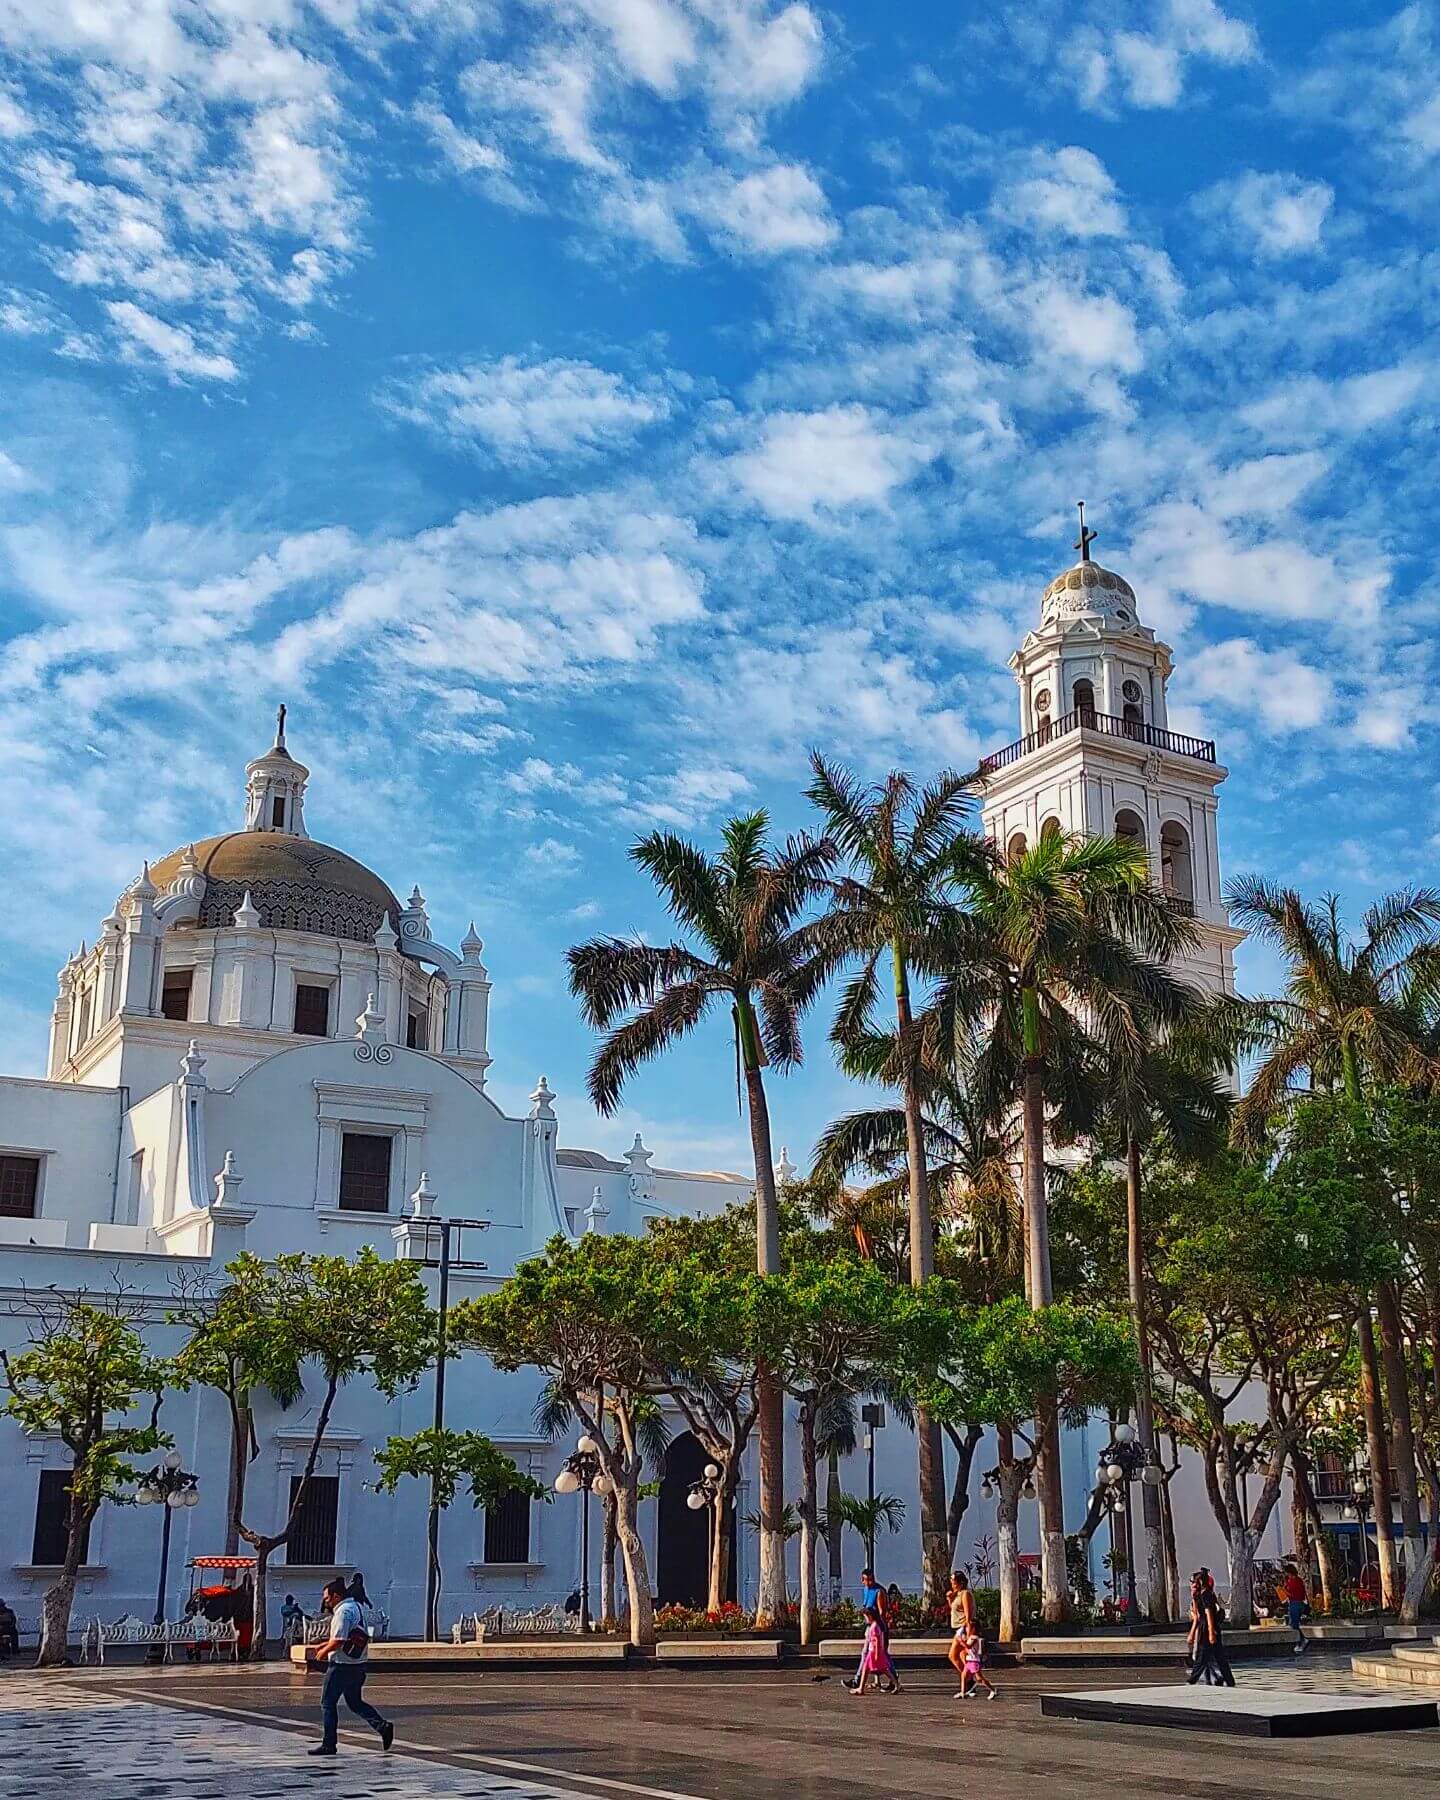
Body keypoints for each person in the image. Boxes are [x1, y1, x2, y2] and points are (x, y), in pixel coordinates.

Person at [308, 1575, 394, 1758]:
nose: (326, 1602)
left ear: (336, 1596)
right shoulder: (357, 1606)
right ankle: (382, 1726)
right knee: (355, 1702)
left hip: (341, 1666)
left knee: (327, 1703)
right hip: (358, 1663)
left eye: (327, 1598)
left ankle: (329, 1744)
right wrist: (324, 1645)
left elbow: (339, 1640)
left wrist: (322, 1653)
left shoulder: (343, 1611)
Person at [1185, 1569, 1234, 1688]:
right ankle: (1228, 1680)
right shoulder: (1199, 1595)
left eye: (1194, 1582)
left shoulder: (1207, 1595)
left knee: (1203, 1656)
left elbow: (1209, 1615)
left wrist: (1211, 1632)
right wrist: (1192, 1634)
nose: (1192, 1584)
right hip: (1205, 1627)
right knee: (1217, 1657)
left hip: (1208, 1628)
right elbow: (1197, 1616)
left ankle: (1192, 1679)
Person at [852, 1606, 897, 1696]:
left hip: (873, 1652)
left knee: (883, 1669)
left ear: (870, 1616)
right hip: (873, 1651)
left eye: (865, 1617)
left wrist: (876, 1654)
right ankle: (861, 1688)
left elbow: (876, 1641)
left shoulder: (875, 1627)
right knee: (867, 1668)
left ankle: (896, 1684)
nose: (865, 1619)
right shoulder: (876, 1625)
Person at [946, 1572, 975, 1695]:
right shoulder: (957, 1595)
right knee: (963, 1657)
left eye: (953, 1581)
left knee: (952, 1655)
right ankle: (969, 1682)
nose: (952, 1584)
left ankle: (968, 1681)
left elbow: (968, 1615)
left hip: (962, 1628)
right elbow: (954, 1610)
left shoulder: (965, 1594)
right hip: (957, 1627)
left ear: (960, 1582)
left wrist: (968, 1631)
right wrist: (950, 1598)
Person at [958, 1626, 997, 1702]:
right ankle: (963, 1693)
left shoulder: (975, 1638)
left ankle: (992, 1690)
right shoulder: (969, 1637)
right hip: (969, 1660)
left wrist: (961, 1641)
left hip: (974, 1661)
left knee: (979, 1678)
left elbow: (968, 1646)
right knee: (963, 1675)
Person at [1281, 1563, 1308, 1655]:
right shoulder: (1299, 1580)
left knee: (1294, 1624)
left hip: (1294, 1603)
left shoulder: (1292, 1582)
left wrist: (1283, 1590)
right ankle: (1300, 1640)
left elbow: (1291, 1594)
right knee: (1294, 1623)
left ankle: (1301, 1640)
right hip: (1300, 1603)